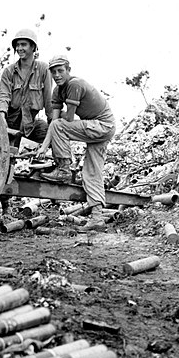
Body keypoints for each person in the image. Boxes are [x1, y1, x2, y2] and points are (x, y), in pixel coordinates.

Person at [37, 54, 116, 231]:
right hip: (95, 127)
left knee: (60, 125)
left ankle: (64, 169)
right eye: (53, 72)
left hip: (103, 125)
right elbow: (53, 124)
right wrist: (43, 147)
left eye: (60, 71)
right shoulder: (57, 91)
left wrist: (52, 136)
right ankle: (97, 218)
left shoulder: (74, 84)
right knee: (91, 171)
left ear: (68, 70)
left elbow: (67, 120)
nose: (57, 75)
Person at [0, 28, 54, 218]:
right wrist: (2, 117)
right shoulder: (9, 71)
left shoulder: (44, 69)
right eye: (17, 45)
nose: (20, 48)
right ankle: (6, 207)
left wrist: (54, 123)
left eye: (24, 45)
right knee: (5, 161)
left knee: (49, 134)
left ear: (33, 47)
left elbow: (48, 99)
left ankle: (56, 171)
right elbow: (3, 95)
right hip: (11, 121)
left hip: (30, 121)